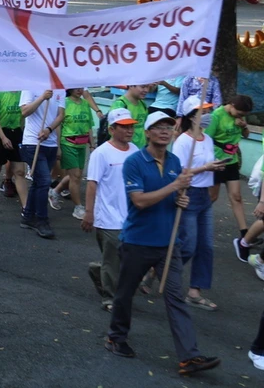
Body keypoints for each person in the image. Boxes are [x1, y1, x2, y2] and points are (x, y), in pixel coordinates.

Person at [105, 111, 220, 377]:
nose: (165, 131)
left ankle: (189, 357)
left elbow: (175, 195)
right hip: (137, 242)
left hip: (169, 244)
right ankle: (115, 337)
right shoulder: (135, 161)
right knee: (124, 294)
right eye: (158, 127)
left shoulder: (176, 160)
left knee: (175, 299)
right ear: (147, 132)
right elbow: (140, 201)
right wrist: (174, 188)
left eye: (169, 126)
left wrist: (181, 199)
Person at [81, 108, 140, 311]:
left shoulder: (135, 151)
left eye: (131, 126)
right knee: (113, 257)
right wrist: (89, 213)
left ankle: (99, 271)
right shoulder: (101, 153)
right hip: (107, 217)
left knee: (127, 258)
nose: (129, 130)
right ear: (112, 129)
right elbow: (92, 184)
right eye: (124, 127)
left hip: (131, 216)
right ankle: (110, 298)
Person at [172, 95, 227, 312]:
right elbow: (178, 172)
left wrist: (215, 167)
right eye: (202, 111)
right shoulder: (183, 141)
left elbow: (208, 165)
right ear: (191, 116)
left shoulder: (208, 139)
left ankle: (195, 291)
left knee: (205, 246)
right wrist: (206, 168)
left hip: (204, 196)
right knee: (188, 245)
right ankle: (158, 270)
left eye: (207, 110)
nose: (207, 115)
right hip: (189, 195)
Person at [19, 89, 65, 239]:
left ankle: (27, 217)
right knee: (45, 181)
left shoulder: (60, 88)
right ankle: (41, 220)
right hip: (33, 142)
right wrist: (41, 98)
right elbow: (25, 111)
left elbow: (60, 115)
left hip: (50, 142)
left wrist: (49, 130)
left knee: (39, 182)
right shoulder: (29, 86)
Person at [206, 94, 253, 242]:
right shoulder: (216, 116)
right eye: (239, 114)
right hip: (217, 161)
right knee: (212, 196)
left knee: (236, 197)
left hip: (232, 161)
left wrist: (244, 126)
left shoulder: (240, 116)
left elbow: (246, 135)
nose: (241, 116)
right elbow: (207, 139)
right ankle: (193, 219)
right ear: (231, 105)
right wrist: (212, 161)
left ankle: (244, 234)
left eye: (244, 115)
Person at [50, 88, 94, 220]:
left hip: (81, 144)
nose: (79, 90)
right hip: (68, 143)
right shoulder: (64, 102)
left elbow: (89, 125)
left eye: (81, 87)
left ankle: (55, 191)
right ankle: (78, 207)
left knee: (77, 175)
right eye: (76, 87)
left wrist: (91, 144)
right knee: (75, 176)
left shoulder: (85, 103)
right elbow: (58, 126)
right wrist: (58, 147)